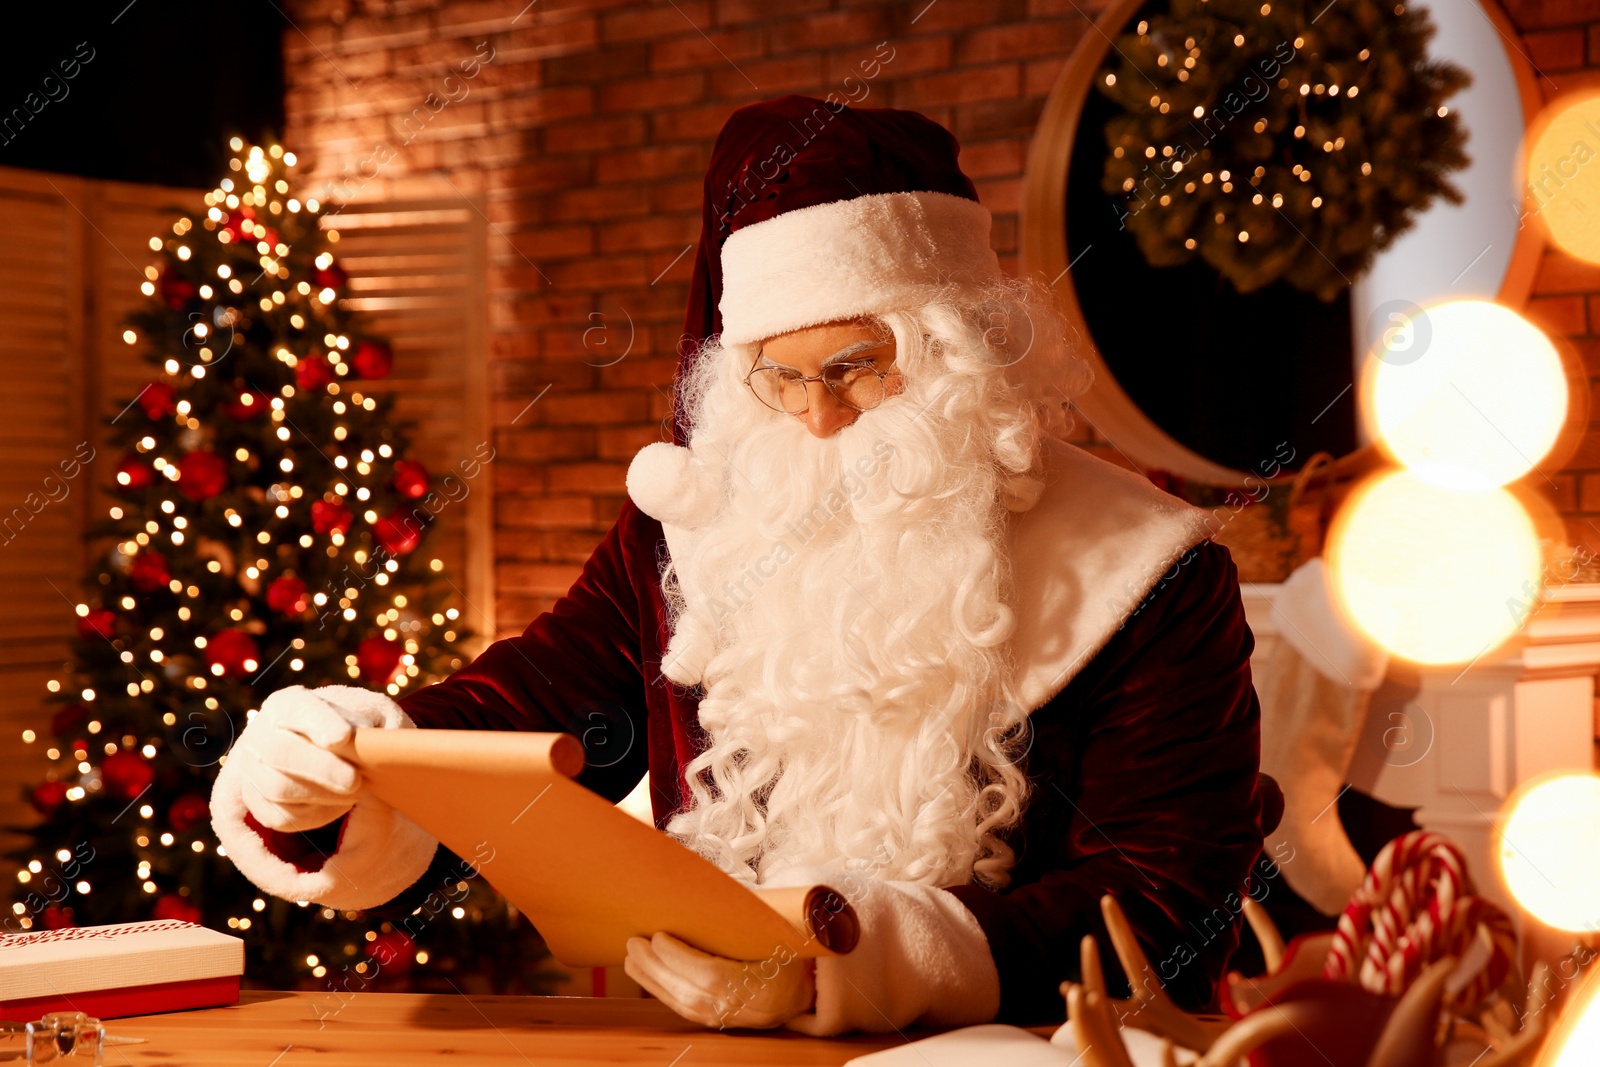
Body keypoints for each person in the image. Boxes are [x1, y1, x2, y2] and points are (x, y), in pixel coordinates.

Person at [212, 94, 1269, 1035]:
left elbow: (1161, 906)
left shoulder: (1150, 572)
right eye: (778, 377)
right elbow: (528, 714)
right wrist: (351, 764)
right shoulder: (692, 533)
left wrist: (841, 963)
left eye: (857, 369)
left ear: (954, 351)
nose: (817, 418)